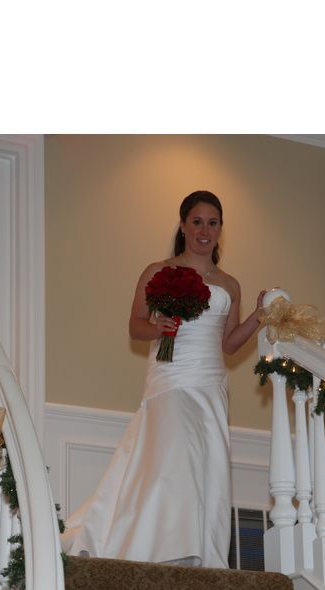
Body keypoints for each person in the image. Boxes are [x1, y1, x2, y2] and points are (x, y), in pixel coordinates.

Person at [60, 190, 264, 568]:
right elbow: (135, 326)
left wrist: (258, 316)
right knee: (175, 457)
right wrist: (159, 327)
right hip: (171, 377)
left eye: (213, 223)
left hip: (211, 382)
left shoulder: (230, 284)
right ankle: (168, 548)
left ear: (221, 229)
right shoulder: (157, 271)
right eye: (197, 221)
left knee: (208, 464)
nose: (205, 230)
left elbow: (230, 344)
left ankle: (201, 551)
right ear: (184, 225)